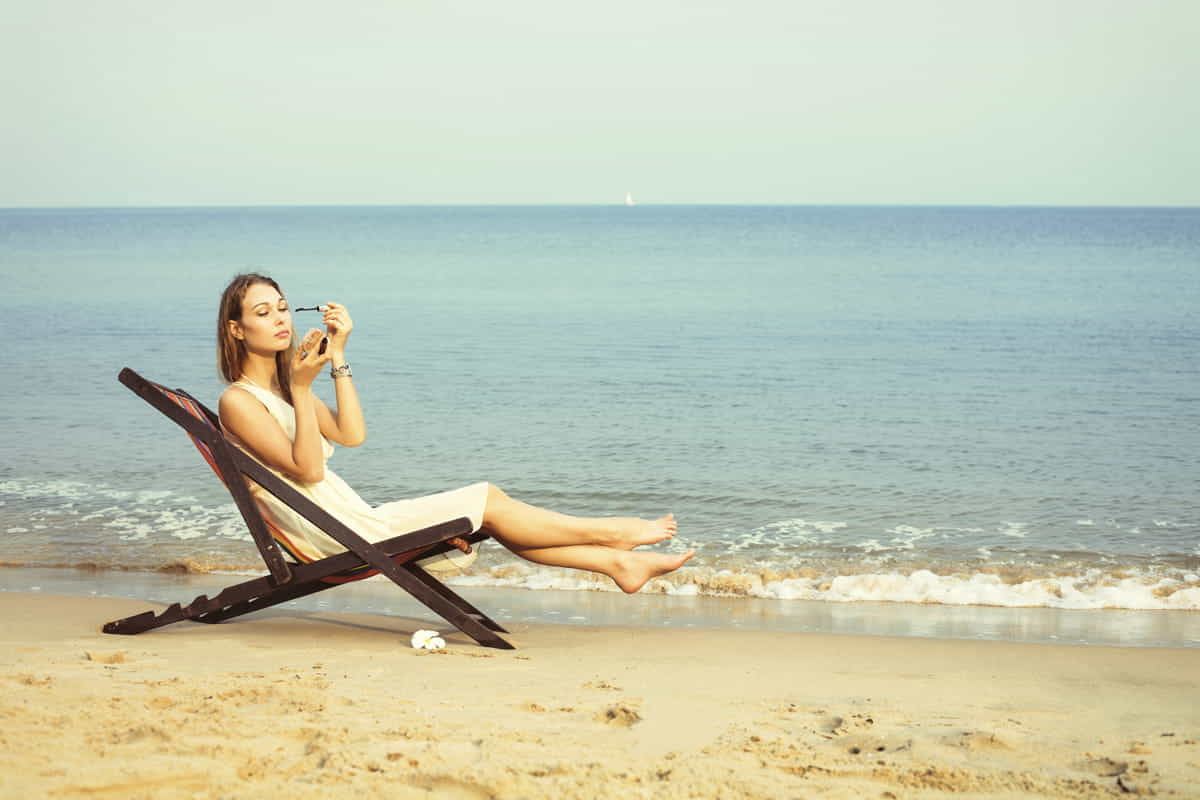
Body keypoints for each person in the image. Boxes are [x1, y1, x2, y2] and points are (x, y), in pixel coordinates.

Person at [216, 273, 694, 593]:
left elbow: (352, 434)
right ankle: (612, 535)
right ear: (236, 330)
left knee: (495, 514)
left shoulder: (284, 388)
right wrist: (302, 386)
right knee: (487, 498)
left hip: (353, 520)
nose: (280, 319)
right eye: (263, 313)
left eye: (282, 308)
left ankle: (618, 564)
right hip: (333, 535)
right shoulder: (238, 401)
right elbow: (310, 469)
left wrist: (338, 354)